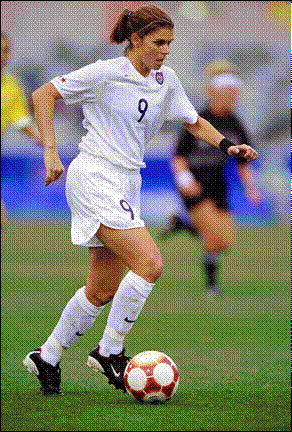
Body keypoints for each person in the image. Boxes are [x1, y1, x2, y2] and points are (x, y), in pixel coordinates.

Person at [22, 5, 258, 396]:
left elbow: (193, 121)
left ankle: (46, 356)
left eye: (169, 43)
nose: (165, 50)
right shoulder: (105, 72)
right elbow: (43, 94)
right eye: (158, 41)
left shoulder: (166, 80)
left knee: (100, 289)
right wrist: (50, 150)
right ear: (135, 39)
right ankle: (109, 351)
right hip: (95, 175)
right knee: (150, 263)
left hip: (127, 180)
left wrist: (228, 146)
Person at [161, 59, 261, 298]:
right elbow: (178, 156)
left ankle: (180, 224)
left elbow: (242, 161)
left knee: (224, 241)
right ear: (214, 91)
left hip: (218, 184)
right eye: (224, 90)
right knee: (212, 235)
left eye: (232, 90)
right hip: (195, 184)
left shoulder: (235, 124)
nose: (229, 95)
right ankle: (212, 287)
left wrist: (251, 188)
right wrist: (185, 180)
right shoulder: (199, 120)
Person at [1, 32, 43, 228]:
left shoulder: (11, 86)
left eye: (6, 51)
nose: (3, 56)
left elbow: (21, 120)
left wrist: (42, 139)